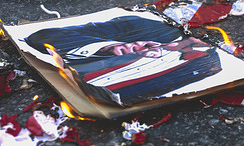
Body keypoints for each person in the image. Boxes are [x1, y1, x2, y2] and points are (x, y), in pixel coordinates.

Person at [25, 15, 222, 106]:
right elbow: (41, 36)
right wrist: (106, 48)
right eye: (169, 47)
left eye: (160, 55)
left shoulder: (120, 84)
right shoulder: (149, 29)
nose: (151, 49)